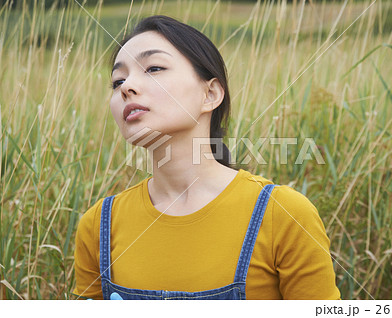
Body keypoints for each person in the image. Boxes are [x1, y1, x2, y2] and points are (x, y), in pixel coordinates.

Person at [72, 15, 340, 300]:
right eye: (118, 81)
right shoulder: (99, 224)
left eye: (153, 68)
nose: (126, 87)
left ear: (210, 94)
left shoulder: (284, 214)